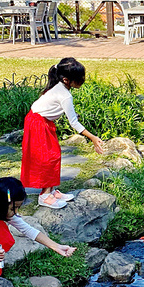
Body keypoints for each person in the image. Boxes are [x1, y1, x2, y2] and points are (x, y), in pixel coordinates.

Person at [21, 57, 105, 208]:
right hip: (37, 124)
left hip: (42, 122)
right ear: (66, 80)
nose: (83, 80)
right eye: (80, 78)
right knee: (48, 157)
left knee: (54, 155)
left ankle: (51, 190)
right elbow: (74, 123)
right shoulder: (65, 94)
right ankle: (45, 196)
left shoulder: (61, 87)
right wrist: (93, 138)